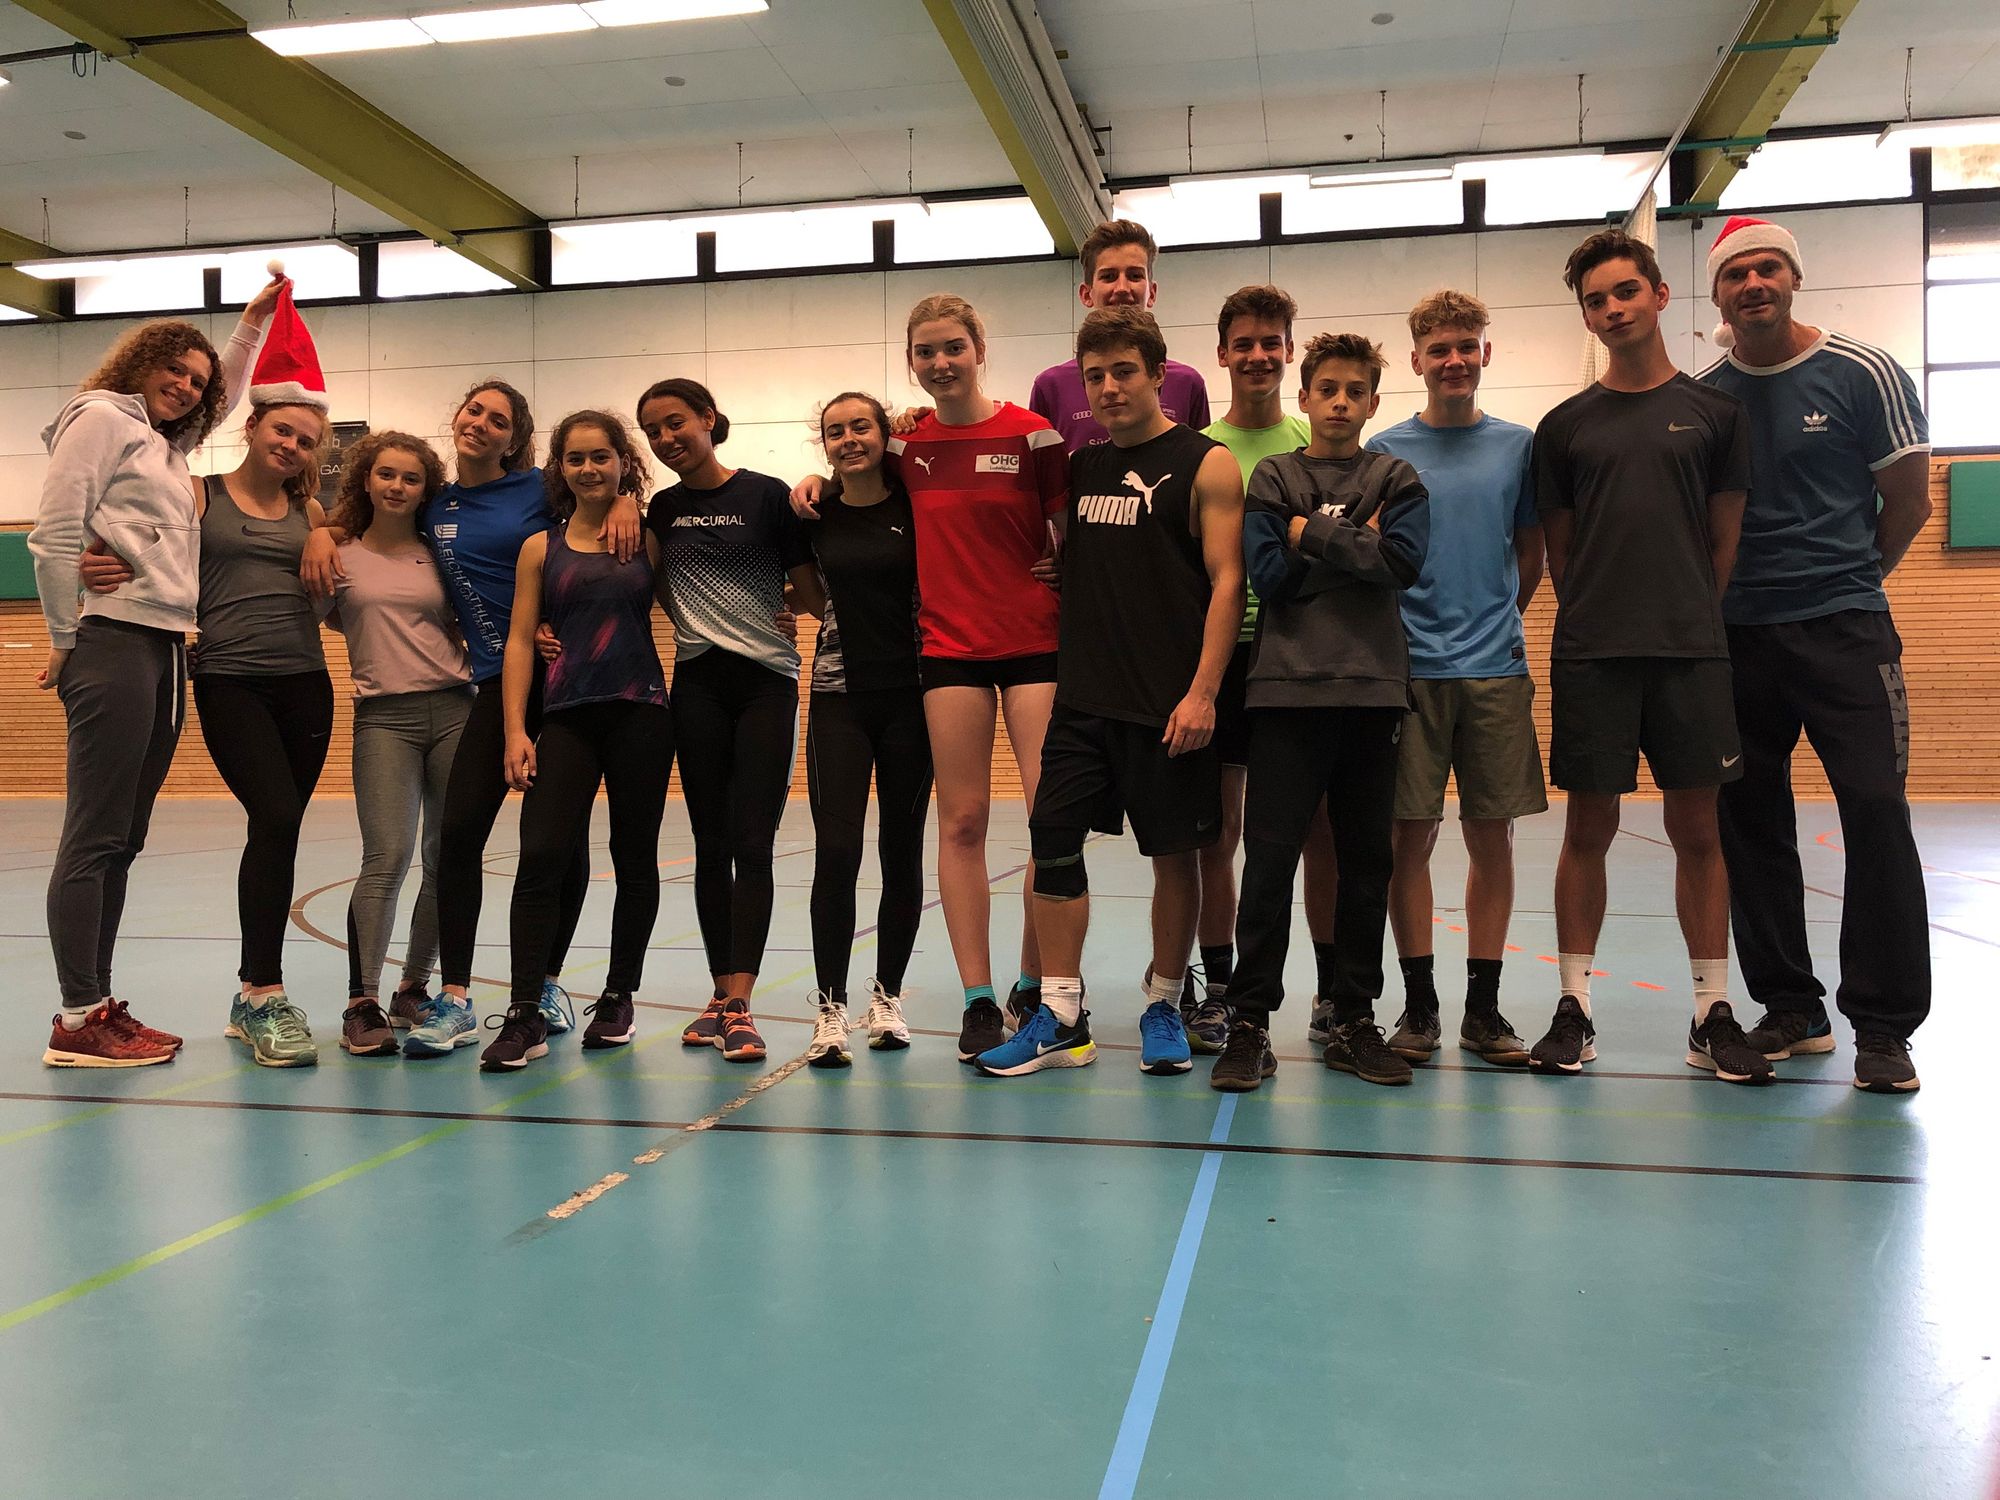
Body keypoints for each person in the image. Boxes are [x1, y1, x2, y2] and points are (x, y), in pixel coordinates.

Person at [304, 381, 641, 1058]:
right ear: (457, 417)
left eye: (499, 420)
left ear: (516, 438)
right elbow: (375, 516)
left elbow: (599, 502)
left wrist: (628, 497)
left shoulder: (539, 491)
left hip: (567, 680)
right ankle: (453, 996)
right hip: (491, 682)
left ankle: (546, 984)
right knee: (456, 837)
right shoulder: (436, 503)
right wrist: (319, 531)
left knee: (558, 843)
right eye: (474, 411)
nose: (481, 424)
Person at [793, 294, 1068, 1064]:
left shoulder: (1034, 433)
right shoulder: (906, 448)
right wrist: (810, 479)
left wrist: (1066, 568)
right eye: (926, 351)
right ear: (911, 360)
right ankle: (979, 1000)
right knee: (962, 822)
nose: (941, 362)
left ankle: (1032, 983)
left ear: (980, 348)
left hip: (1033, 644)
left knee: (1051, 820)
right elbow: (849, 478)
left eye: (954, 347)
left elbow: (1067, 531)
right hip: (947, 653)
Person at [1698, 214, 1933, 1094]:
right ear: (1718, 294)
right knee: (1750, 822)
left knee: (1875, 808)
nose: (1753, 284)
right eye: (1736, 274)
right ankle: (1791, 1006)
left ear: (1793, 279)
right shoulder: (1706, 395)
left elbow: (1909, 500)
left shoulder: (1864, 372)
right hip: (1737, 638)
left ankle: (1884, 1024)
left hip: (1846, 631)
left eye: (1768, 269)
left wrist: (1851, 581)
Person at [976, 307, 1243, 1077]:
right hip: (1084, 701)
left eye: (1124, 371)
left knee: (1176, 857)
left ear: (1158, 374)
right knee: (1053, 842)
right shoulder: (1084, 466)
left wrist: (1203, 694)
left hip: (1169, 706)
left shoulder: (1208, 463)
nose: (1109, 387)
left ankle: (1164, 1002)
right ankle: (1061, 1014)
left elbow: (1229, 582)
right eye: (1095, 376)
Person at [1530, 228, 1767, 1085]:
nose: (1613, 308)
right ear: (1586, 317)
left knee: (1698, 830)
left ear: (1661, 296)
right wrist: (1605, 616)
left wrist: (1682, 614)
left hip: (1691, 653)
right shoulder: (1563, 428)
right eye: (1596, 300)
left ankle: (1711, 1013)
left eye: (1626, 291)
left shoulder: (1717, 416)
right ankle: (1573, 1008)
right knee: (1586, 828)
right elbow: (1562, 553)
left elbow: (1723, 542)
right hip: (1594, 655)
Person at [29, 281, 281, 1066]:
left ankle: (98, 1005)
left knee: (125, 838)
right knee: (94, 835)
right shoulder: (102, 418)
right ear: (139, 363)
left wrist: (249, 330)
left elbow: (224, 396)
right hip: (113, 640)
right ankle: (77, 1018)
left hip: (167, 644)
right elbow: (53, 532)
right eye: (174, 369)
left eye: (198, 381)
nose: (188, 386)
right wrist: (65, 634)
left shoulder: (165, 447)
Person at [1209, 333, 1429, 1094]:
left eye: (1354, 391)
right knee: (1270, 862)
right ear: (1304, 399)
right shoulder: (1275, 474)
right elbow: (1271, 577)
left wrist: (1314, 532)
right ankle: (1249, 1023)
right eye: (1327, 389)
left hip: (1373, 693)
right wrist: (1358, 548)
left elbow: (1403, 565)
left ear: (1373, 402)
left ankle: (1353, 1017)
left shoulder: (1396, 475)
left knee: (1367, 863)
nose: (1339, 402)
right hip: (1285, 692)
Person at [1371, 290, 1547, 1068]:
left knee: (1491, 838)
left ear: (1485, 353)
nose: (1453, 360)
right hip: (1407, 672)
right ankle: (1419, 1008)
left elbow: (1530, 553)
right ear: (1416, 359)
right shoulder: (1385, 449)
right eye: (1438, 349)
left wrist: (1497, 623)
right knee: (1407, 838)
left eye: (1465, 346)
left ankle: (1483, 1008)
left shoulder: (1518, 447)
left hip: (1495, 672)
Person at [480, 412, 676, 1071]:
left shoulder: (646, 538)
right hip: (566, 715)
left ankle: (619, 996)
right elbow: (519, 639)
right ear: (559, 469)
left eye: (601, 457)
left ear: (624, 462)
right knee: (540, 855)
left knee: (634, 856)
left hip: (641, 713)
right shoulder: (541, 546)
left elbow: (692, 602)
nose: (588, 469)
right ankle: (524, 1012)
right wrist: (515, 729)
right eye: (575, 459)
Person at [640, 378, 824, 1065]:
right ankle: (720, 996)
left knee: (754, 842)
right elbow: (645, 585)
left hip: (766, 685)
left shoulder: (767, 496)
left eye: (675, 422)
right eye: (653, 431)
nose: (666, 439)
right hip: (697, 685)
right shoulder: (662, 509)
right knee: (709, 844)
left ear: (709, 419)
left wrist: (778, 603)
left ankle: (742, 1003)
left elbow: (811, 593)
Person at [1198, 283, 1341, 1053]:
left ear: (1289, 350)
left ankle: (1330, 991)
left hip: (1302, 654)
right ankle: (1220, 989)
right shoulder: (1199, 449)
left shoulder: (1315, 440)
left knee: (1317, 830)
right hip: (1226, 656)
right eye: (1243, 343)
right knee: (1218, 830)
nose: (1258, 355)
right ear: (1222, 354)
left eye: (1271, 342)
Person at [320, 432, 469, 1058]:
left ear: (425, 489)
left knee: (444, 857)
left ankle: (414, 987)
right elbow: (316, 615)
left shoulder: (440, 553)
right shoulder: (337, 554)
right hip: (384, 719)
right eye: (386, 474)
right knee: (387, 855)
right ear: (366, 479)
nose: (397, 487)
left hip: (456, 709)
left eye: (411, 478)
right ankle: (362, 1000)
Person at [799, 392, 930, 1067]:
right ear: (823, 445)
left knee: (901, 851)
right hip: (838, 699)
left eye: (861, 427)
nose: (848, 439)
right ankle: (830, 1009)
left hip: (912, 696)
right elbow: (806, 595)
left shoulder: (916, 503)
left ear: (883, 435)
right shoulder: (813, 514)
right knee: (837, 852)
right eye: (835, 431)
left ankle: (888, 998)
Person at [1028, 218, 1211, 449]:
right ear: (1086, 294)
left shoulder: (1188, 383)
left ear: (1152, 292)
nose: (1122, 288)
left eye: (1135, 276)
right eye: (1108, 276)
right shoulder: (1050, 387)